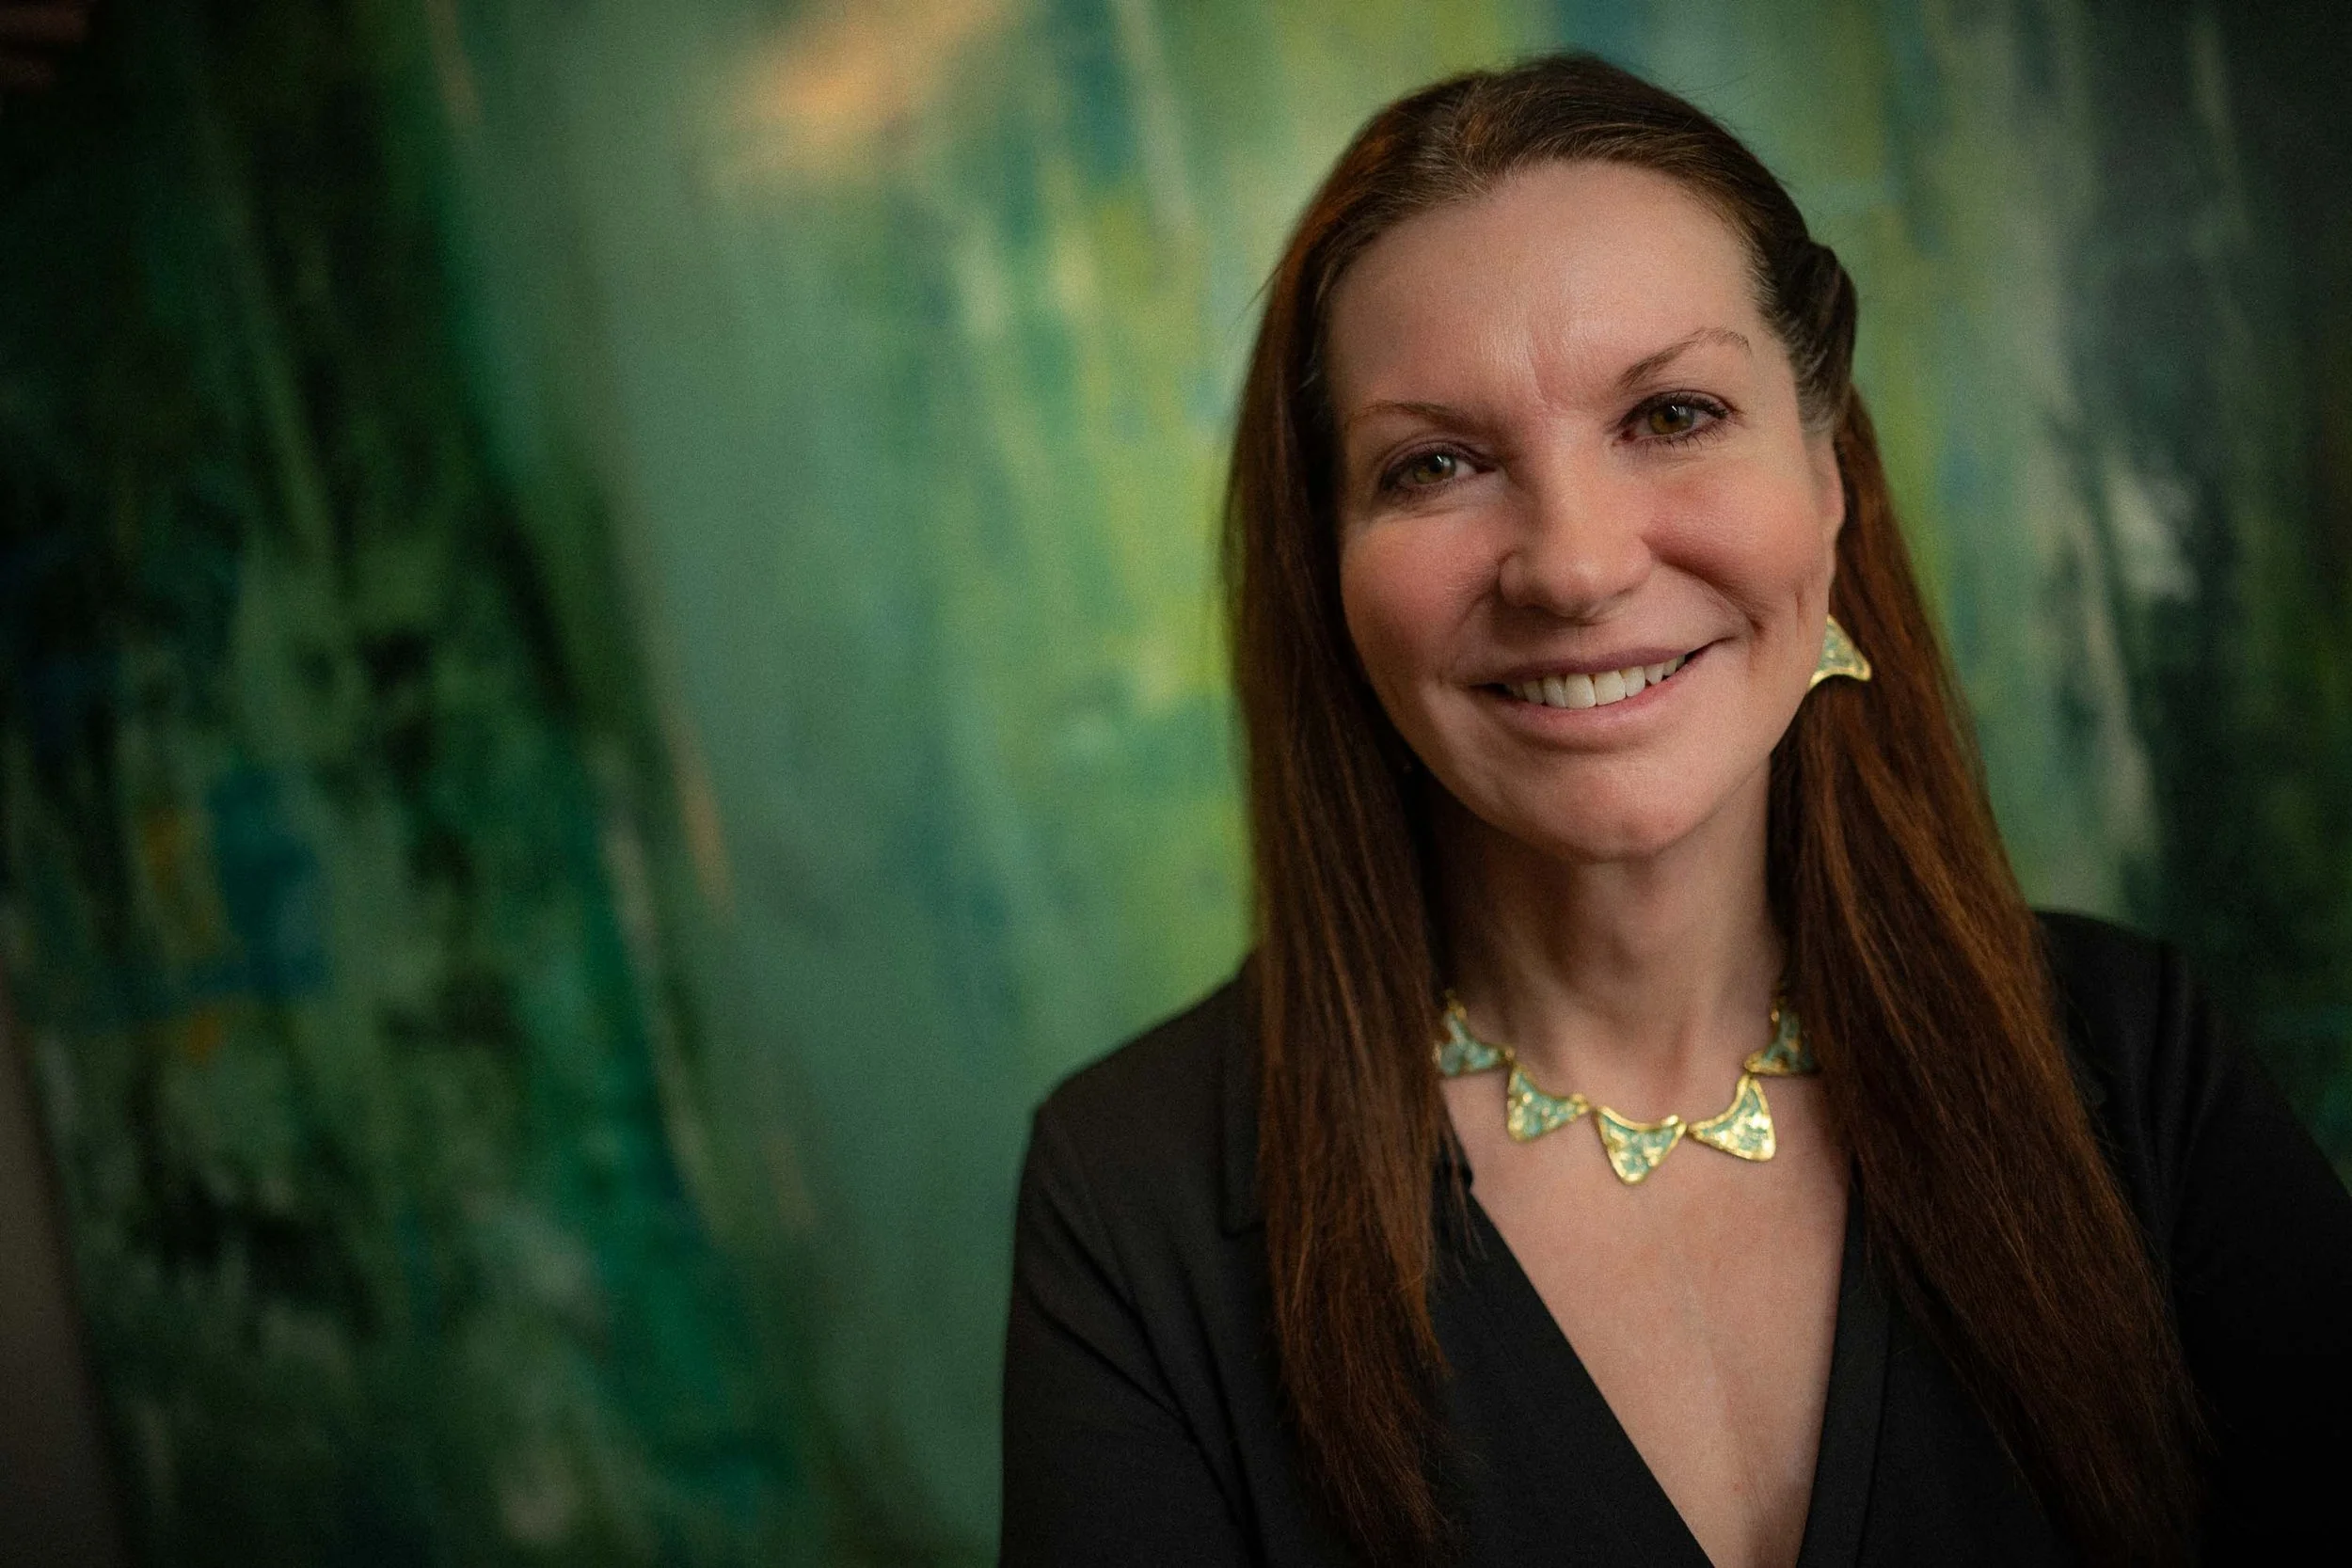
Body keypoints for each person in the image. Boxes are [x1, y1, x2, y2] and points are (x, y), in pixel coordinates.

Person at [999, 53, 2352, 1568]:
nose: (1572, 566)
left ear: (1831, 481)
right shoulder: (1132, 1196)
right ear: (1328, 570)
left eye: (1675, 413)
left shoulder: (2133, 1063)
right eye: (1434, 462)